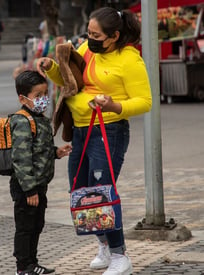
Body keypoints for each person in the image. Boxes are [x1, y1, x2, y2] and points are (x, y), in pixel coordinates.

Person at [38, 7, 152, 275]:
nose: (89, 38)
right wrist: (52, 67)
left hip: (108, 132)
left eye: (95, 34)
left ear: (113, 36)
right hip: (79, 130)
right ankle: (103, 244)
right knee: (80, 190)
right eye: (88, 33)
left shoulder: (130, 60)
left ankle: (119, 255)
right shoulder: (88, 51)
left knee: (102, 192)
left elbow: (145, 101)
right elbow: (71, 82)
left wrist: (113, 105)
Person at [10, 70, 72, 275]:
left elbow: (38, 150)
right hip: (26, 187)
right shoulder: (22, 121)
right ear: (22, 98)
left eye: (45, 94)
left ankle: (32, 262)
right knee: (26, 226)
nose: (43, 99)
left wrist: (56, 152)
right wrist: (29, 190)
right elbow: (21, 158)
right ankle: (23, 267)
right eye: (38, 96)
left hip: (39, 185)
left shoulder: (38, 119)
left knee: (36, 224)